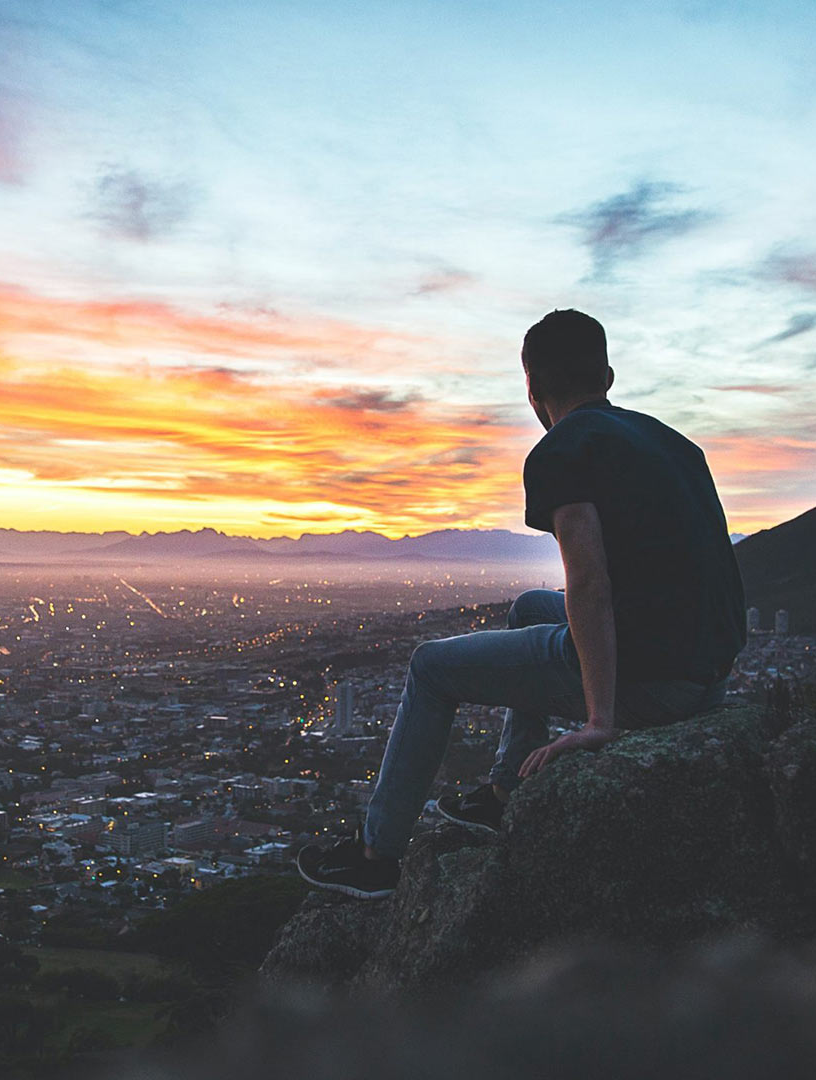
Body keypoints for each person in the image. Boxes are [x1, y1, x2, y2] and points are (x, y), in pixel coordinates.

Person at [296, 309, 746, 899]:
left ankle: (376, 855)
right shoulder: (674, 444)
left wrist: (600, 722)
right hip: (705, 674)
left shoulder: (563, 448)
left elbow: (587, 580)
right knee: (532, 606)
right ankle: (505, 792)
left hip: (653, 680)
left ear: (532, 391)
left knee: (430, 669)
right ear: (607, 376)